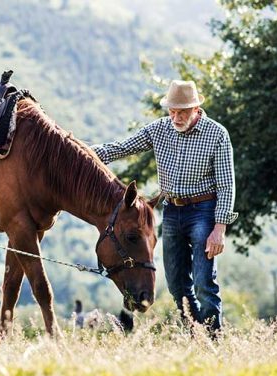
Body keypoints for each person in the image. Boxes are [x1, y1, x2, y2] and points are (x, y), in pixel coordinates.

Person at [91, 80, 238, 334]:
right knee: (177, 284)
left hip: (204, 211)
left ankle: (214, 337)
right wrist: (82, 153)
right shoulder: (159, 129)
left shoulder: (217, 134)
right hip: (171, 211)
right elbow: (122, 148)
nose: (176, 117)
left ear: (195, 109)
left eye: (182, 112)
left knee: (204, 281)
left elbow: (226, 185)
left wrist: (220, 228)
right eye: (172, 111)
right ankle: (195, 333)